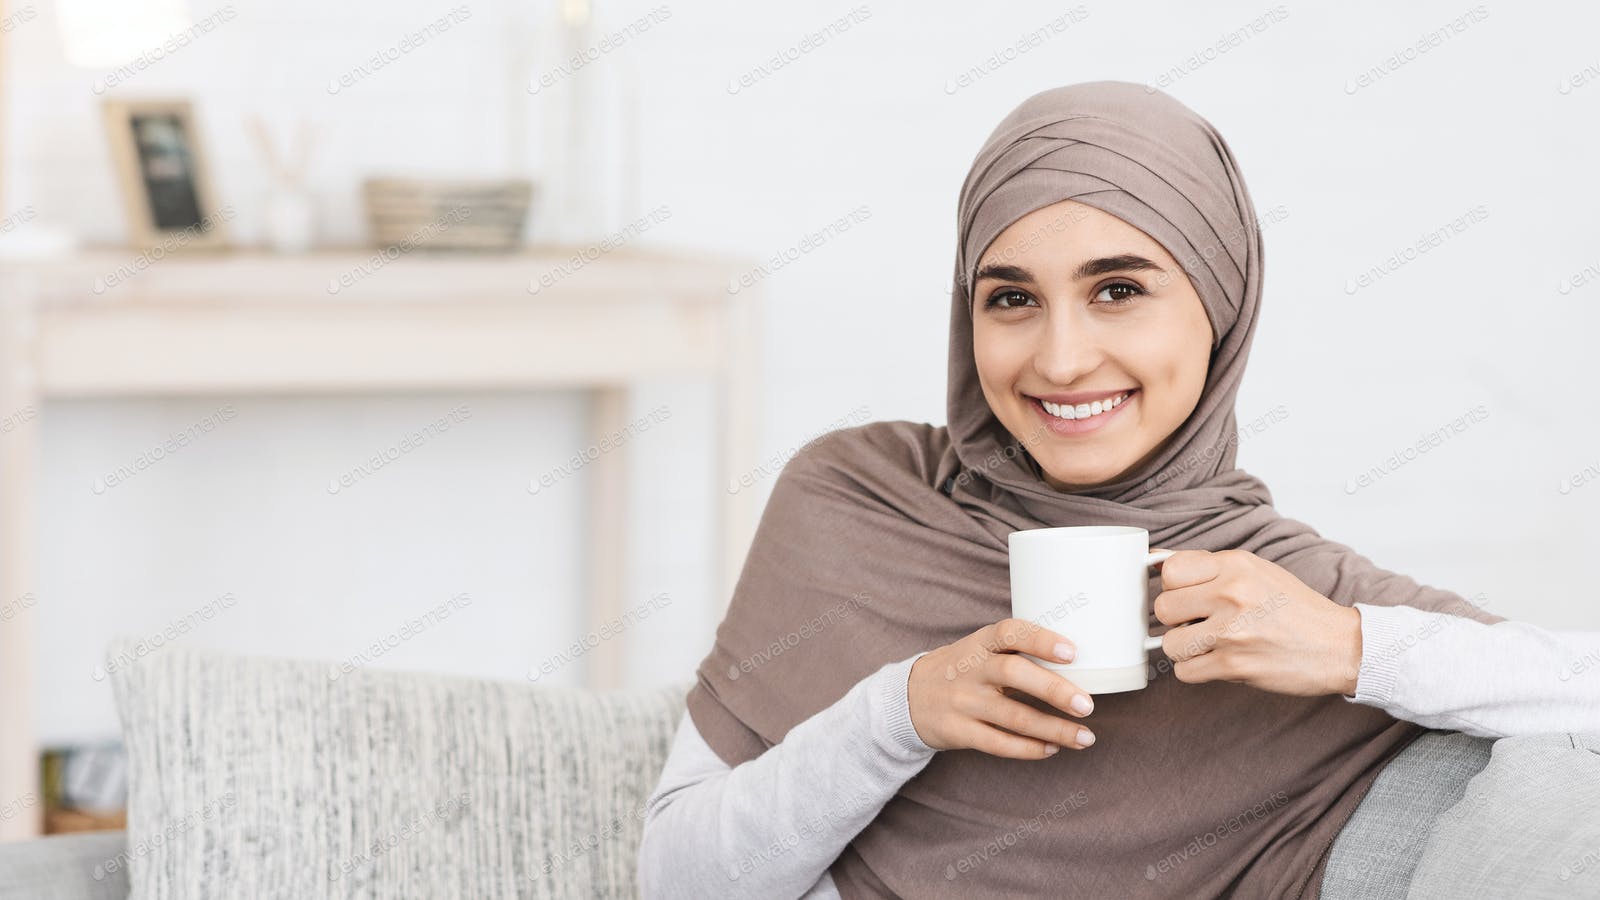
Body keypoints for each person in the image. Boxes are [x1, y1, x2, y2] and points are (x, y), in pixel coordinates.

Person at [636, 81, 1600, 899]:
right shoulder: (861, 498)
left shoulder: (1277, 591)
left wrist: (1352, 647)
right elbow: (674, 877)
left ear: (1219, 310)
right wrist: (900, 714)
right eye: (1011, 299)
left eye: (1118, 290)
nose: (1060, 359)